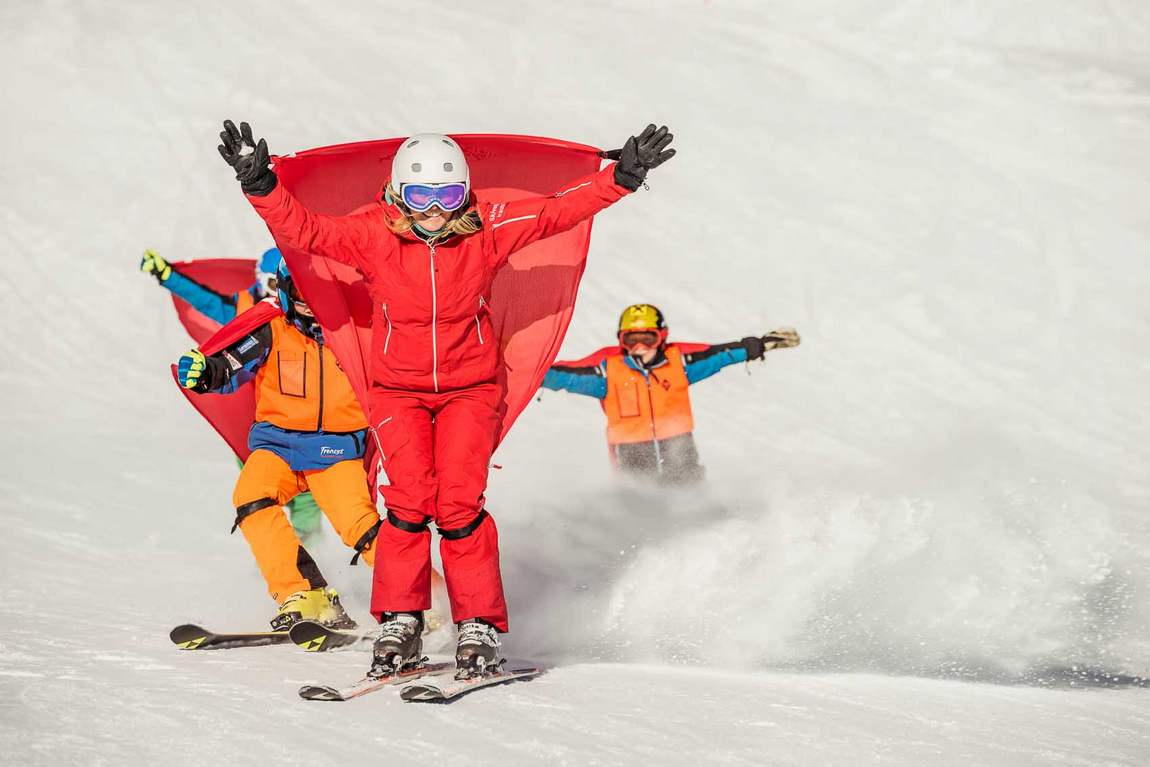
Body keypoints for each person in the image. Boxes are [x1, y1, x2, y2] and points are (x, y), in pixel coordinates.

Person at [216, 119, 675, 677]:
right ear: (398, 193)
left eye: (447, 194)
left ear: (464, 192)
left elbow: (557, 211)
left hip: (469, 389)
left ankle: (477, 622)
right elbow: (306, 231)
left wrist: (622, 178)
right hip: (397, 392)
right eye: (420, 195)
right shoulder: (372, 233)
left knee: (458, 503)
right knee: (407, 503)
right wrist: (260, 184)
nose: (434, 208)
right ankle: (401, 617)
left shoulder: (488, 227)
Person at [174, 259, 383, 630]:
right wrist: (205, 373)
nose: (309, 303)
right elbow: (230, 364)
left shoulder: (360, 333)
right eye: (300, 292)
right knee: (252, 498)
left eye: (319, 294)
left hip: (335, 451)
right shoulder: (271, 327)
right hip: (279, 447)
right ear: (285, 290)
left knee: (362, 528)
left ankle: (421, 605)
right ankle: (303, 593)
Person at [141, 246, 323, 540]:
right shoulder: (244, 307)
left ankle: (313, 546)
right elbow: (204, 299)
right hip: (253, 413)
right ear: (261, 281)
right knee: (259, 481)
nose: (282, 292)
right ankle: (278, 547)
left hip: (302, 414)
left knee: (309, 485)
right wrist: (168, 275)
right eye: (274, 284)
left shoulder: (309, 313)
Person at [542, 303, 800, 482]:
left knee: (689, 498)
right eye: (631, 340)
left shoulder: (680, 363)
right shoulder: (607, 372)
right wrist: (523, 372)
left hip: (678, 448)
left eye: (648, 338)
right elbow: (563, 375)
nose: (640, 347)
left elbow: (719, 355)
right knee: (641, 506)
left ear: (662, 337)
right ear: (621, 341)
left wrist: (756, 346)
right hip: (631, 453)